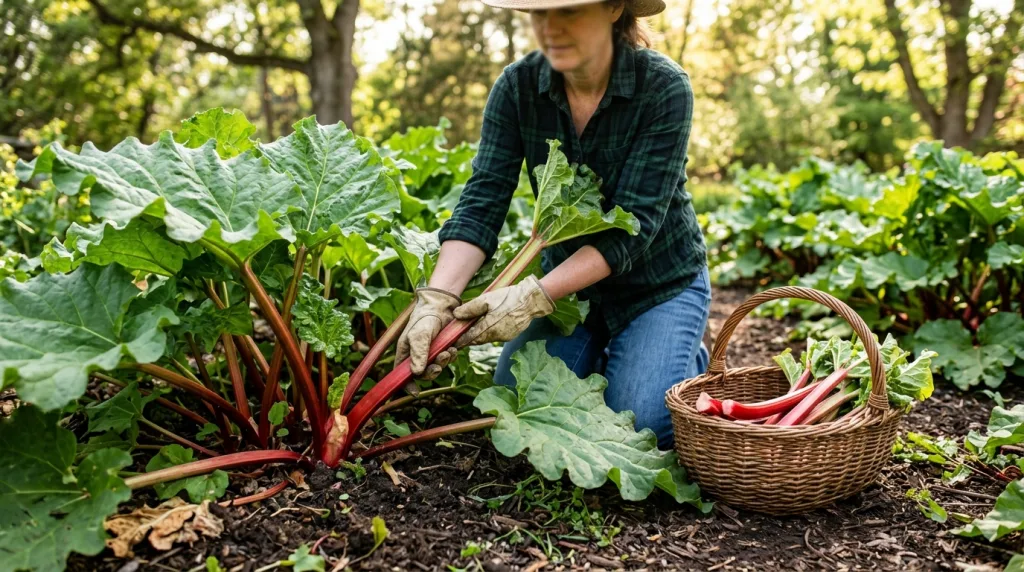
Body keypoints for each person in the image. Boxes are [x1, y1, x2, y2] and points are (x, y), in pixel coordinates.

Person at [395, 0, 710, 448]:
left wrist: (529, 298)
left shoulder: (662, 87)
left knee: (643, 426)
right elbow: (483, 201)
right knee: (512, 398)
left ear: (615, 8)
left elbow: (632, 225)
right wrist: (436, 299)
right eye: (540, 13)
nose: (550, 28)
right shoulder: (517, 87)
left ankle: (681, 356)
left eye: (569, 11)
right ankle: (620, 358)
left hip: (658, 284)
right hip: (570, 292)